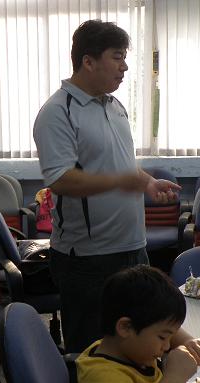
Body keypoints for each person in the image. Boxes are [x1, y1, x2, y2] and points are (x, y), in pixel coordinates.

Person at [33, 19, 181, 354]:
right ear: (88, 61)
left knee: (138, 343)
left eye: (124, 57)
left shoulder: (115, 106)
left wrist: (147, 182)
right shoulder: (57, 112)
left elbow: (122, 165)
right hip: (88, 258)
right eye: (117, 57)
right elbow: (60, 179)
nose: (125, 66)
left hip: (133, 246)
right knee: (91, 351)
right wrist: (121, 181)